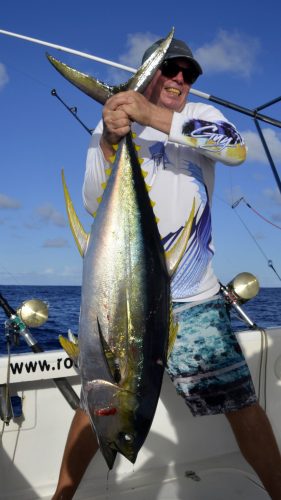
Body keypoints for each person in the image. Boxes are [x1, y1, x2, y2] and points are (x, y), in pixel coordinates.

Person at [52, 38, 281, 499]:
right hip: (122, 293)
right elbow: (95, 203)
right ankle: (62, 494)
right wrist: (114, 137)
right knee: (97, 396)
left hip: (194, 300)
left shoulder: (202, 119)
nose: (179, 79)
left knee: (241, 403)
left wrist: (148, 114)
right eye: (169, 70)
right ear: (151, 71)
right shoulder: (108, 131)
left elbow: (235, 150)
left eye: (188, 73)